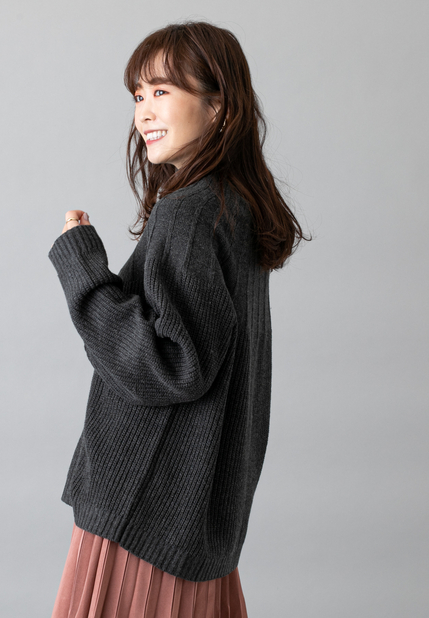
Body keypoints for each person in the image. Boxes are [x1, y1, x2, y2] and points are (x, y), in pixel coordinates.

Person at [48, 19, 310, 618]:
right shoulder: (233, 208)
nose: (143, 111)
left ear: (219, 105)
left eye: (162, 91)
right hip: (192, 517)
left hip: (144, 514)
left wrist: (82, 268)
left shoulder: (190, 213)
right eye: (137, 95)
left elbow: (169, 365)